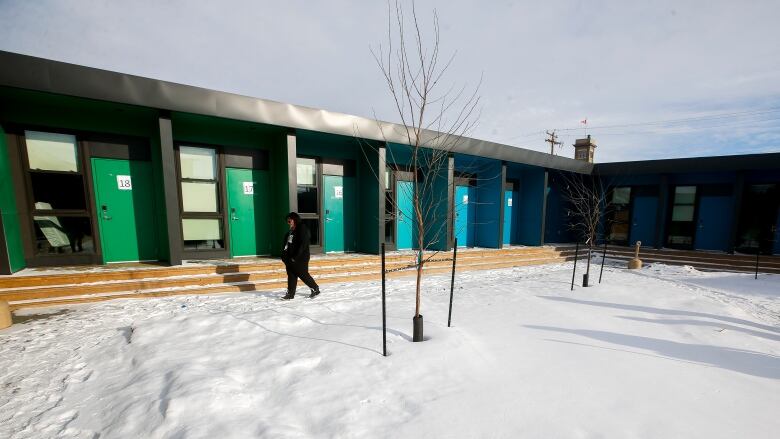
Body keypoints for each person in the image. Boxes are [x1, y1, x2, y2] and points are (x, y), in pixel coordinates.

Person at [281, 212, 321, 300]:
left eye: (289, 220)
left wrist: (295, 256)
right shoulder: (290, 232)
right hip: (289, 258)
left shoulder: (302, 228)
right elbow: (286, 245)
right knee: (291, 275)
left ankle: (315, 288)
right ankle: (290, 294)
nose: (288, 222)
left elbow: (303, 244)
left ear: (295, 219)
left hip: (300, 257)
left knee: (303, 274)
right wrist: (283, 256)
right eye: (287, 221)